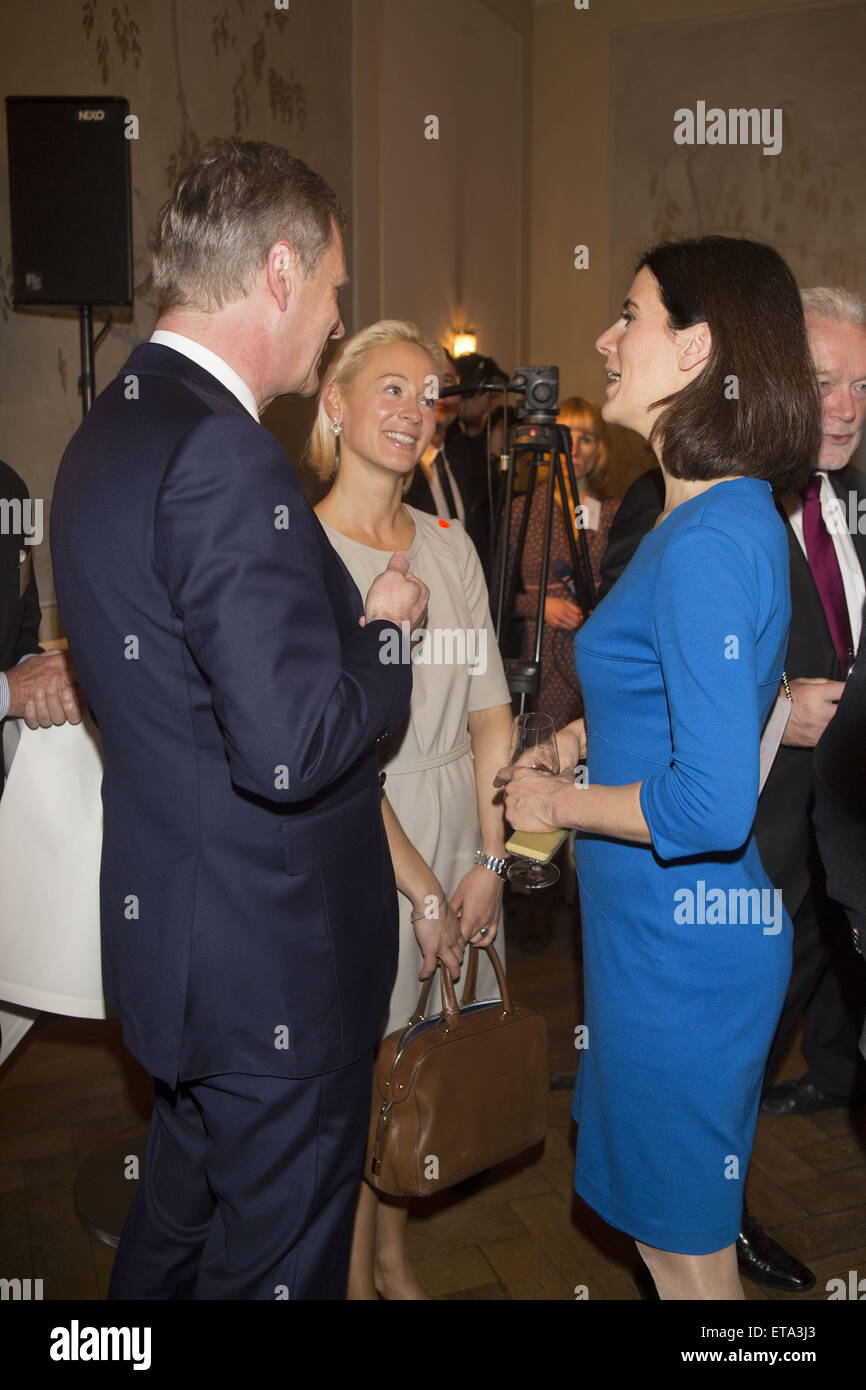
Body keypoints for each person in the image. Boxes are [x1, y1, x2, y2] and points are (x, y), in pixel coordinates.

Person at [50, 138, 429, 1301]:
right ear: (278, 271)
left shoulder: (109, 427)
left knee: (169, 1243)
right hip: (276, 972)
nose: (331, 320)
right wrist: (386, 635)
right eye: (330, 292)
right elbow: (289, 744)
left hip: (183, 951)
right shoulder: (222, 451)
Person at [496, 235, 821, 1300]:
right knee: (668, 1245)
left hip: (681, 961)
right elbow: (707, 708)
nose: (602, 336)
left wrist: (552, 800)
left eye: (627, 314)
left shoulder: (708, 540)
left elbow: (710, 800)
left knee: (687, 1264)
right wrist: (585, 736)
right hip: (662, 947)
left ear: (694, 352)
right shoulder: (721, 516)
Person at [593, 284, 866, 1292]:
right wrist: (761, 710)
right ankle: (724, 1217)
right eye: (824, 379)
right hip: (731, 865)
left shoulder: (847, 501)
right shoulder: (688, 503)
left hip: (834, 852)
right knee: (693, 1167)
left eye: (862, 386)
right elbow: (637, 689)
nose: (842, 406)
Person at [310, 319, 512, 1300]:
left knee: (419, 1065)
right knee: (360, 1083)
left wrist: (488, 858)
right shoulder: (297, 552)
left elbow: (488, 717)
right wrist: (425, 887)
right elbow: (336, 754)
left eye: (425, 393)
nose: (410, 407)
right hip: (357, 846)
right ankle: (348, 1284)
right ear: (332, 404)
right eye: (387, 386)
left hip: (457, 834)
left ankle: (392, 1260)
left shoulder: (447, 544)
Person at [504, 398, 619, 726]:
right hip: (539, 651)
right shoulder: (523, 510)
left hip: (595, 652)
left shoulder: (613, 511)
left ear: (599, 448)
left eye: (588, 439)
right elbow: (497, 597)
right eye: (569, 438)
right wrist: (543, 606)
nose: (578, 449)